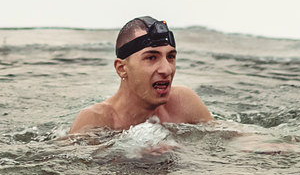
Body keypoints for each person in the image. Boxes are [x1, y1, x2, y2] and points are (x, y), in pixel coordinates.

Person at [67, 15, 214, 135]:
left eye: (170, 57)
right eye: (151, 58)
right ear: (121, 68)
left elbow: (232, 138)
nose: (166, 69)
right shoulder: (95, 121)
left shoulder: (184, 102)